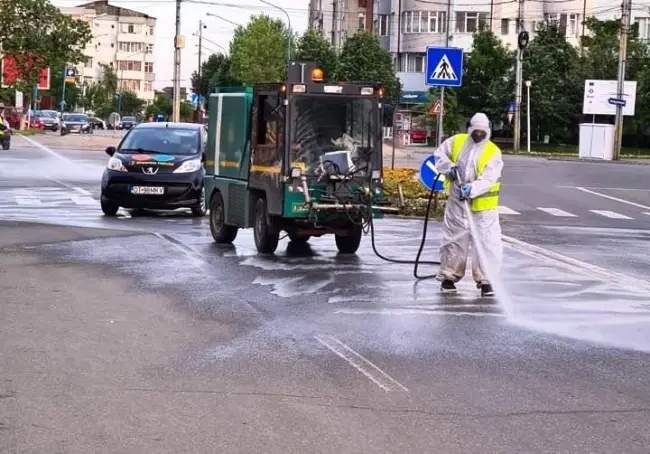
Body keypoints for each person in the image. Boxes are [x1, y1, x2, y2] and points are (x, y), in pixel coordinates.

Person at [433, 112, 504, 297]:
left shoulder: (493, 151)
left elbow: (489, 178)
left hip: (483, 207)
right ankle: (448, 278)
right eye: (475, 131)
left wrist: (471, 189)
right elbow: (439, 155)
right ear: (470, 128)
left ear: (488, 131)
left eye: (482, 132)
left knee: (487, 244)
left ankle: (486, 281)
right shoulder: (456, 141)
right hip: (457, 203)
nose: (478, 135)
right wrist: (449, 168)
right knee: (454, 240)